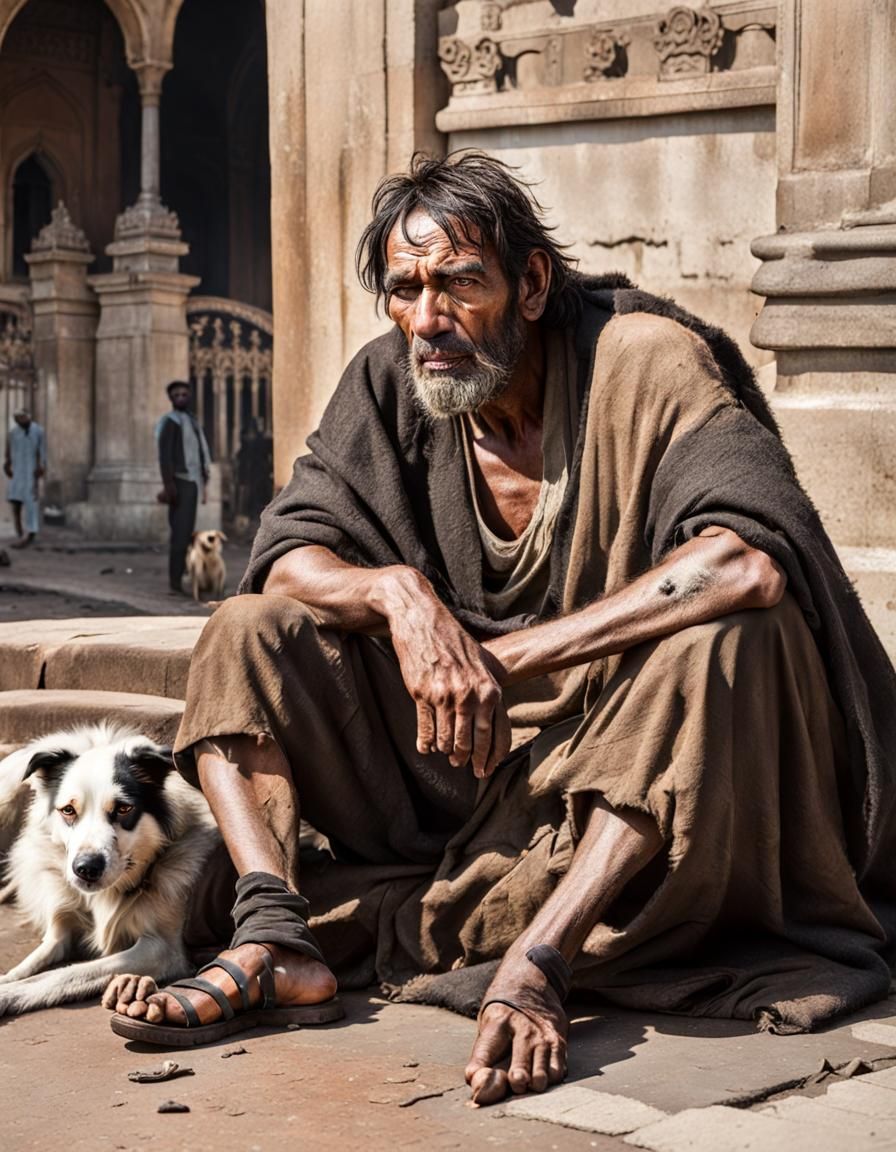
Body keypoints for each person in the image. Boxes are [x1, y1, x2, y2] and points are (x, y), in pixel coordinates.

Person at [112, 152, 896, 1105]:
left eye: (458, 284)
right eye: (404, 289)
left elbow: (746, 559)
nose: (426, 320)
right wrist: (402, 598)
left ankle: (541, 955)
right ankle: (273, 933)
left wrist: (504, 657)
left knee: (730, 641)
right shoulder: (394, 383)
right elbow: (288, 556)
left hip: (628, 755)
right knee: (246, 629)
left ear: (530, 284)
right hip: (456, 768)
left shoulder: (641, 361)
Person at [156, 380, 211, 594]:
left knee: (186, 531)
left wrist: (204, 483)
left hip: (193, 482)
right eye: (176, 395)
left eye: (184, 394)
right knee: (180, 534)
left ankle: (184, 576)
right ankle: (175, 582)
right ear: (171, 399)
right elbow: (165, 457)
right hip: (179, 483)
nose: (181, 398)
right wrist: (169, 486)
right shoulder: (170, 422)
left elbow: (200, 454)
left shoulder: (192, 421)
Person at [4, 407, 45, 548]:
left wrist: (41, 467)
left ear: (28, 416)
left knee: (31, 503)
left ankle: (30, 533)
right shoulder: (13, 433)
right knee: (15, 503)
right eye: (17, 418)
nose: (19, 420)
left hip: (30, 473)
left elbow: (43, 451)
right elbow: (8, 450)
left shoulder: (38, 431)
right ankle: (20, 532)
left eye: (22, 417)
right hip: (17, 472)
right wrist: (7, 464)